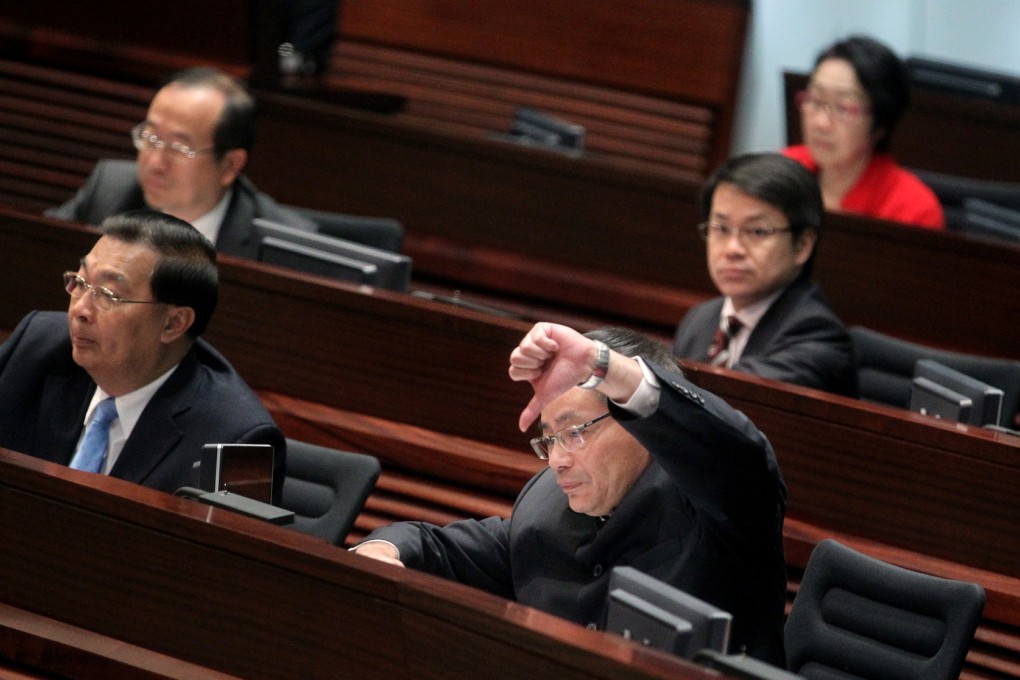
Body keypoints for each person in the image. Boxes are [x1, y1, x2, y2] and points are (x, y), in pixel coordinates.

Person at [353, 322, 789, 665]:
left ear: (642, 426)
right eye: (550, 438)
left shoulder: (720, 505)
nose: (557, 460)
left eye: (576, 432)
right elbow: (442, 548)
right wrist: (384, 548)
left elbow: (742, 454)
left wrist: (602, 365)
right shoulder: (547, 504)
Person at [0, 211, 286, 500]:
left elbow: (222, 546)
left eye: (108, 295)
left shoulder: (240, 441)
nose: (80, 310)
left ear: (173, 324)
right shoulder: (38, 345)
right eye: (80, 282)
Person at [45, 67, 315, 258]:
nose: (156, 162)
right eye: (151, 137)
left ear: (231, 165)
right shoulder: (109, 189)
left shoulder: (282, 244)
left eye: (179, 147)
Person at [673, 152, 857, 397]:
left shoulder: (818, 337)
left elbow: (722, 403)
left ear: (802, 245)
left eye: (757, 231)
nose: (732, 249)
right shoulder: (701, 319)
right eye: (721, 228)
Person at [783, 35, 945, 229]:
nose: (821, 123)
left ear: (879, 125)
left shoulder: (913, 209)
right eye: (815, 100)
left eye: (843, 108)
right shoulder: (782, 171)